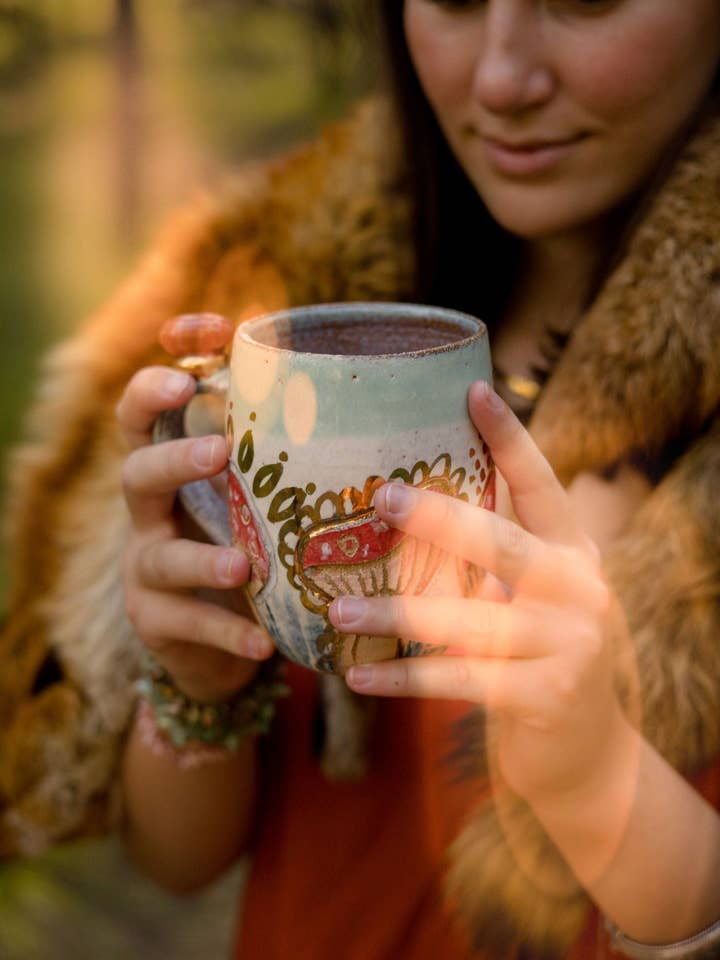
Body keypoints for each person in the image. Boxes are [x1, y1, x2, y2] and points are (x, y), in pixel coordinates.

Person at [2, 0, 720, 956]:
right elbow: (183, 859)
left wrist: (597, 779)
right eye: (454, 0)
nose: (502, 79)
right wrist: (200, 681)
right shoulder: (296, 293)